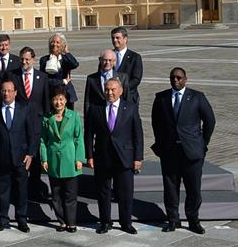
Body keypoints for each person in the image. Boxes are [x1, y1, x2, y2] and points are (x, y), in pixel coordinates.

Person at [150, 67, 216, 234]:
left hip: (192, 152)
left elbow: (210, 121)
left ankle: (193, 220)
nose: (176, 80)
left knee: (193, 188)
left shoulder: (197, 97)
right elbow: (156, 123)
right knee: (170, 188)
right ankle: (173, 220)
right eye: (173, 78)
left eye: (179, 78)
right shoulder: (162, 98)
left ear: (186, 79)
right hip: (170, 152)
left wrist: (203, 144)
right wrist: (160, 144)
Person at [85, 77, 143, 234]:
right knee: (103, 192)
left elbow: (137, 134)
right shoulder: (95, 108)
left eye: (113, 89)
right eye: (107, 89)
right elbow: (89, 134)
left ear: (121, 91)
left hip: (125, 157)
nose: (109, 92)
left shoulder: (130, 108)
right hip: (103, 157)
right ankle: (105, 222)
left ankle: (126, 223)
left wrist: (138, 157)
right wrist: (89, 155)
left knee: (125, 192)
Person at [0, 79, 39, 232]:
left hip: (21, 157)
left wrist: (30, 153)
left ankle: (22, 219)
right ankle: (2, 220)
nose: (6, 93)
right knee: (3, 190)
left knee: (22, 190)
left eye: (9, 90)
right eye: (4, 90)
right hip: (1, 157)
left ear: (15, 92)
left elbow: (32, 133)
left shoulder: (24, 108)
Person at [38, 89, 84, 232]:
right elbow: (43, 140)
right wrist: (44, 159)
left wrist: (79, 158)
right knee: (56, 194)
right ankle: (62, 222)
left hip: (70, 159)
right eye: (56, 99)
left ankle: (71, 222)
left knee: (70, 194)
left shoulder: (74, 116)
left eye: (61, 99)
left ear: (66, 101)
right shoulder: (47, 118)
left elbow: (78, 138)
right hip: (53, 160)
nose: (58, 102)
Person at [12, 46, 50, 201]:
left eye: (27, 59)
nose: (24, 62)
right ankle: (19, 191)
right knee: (19, 156)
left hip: (36, 122)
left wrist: (46, 119)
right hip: (19, 123)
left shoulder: (42, 77)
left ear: (33, 59)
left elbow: (46, 100)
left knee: (35, 157)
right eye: (22, 59)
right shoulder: (13, 76)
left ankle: (35, 189)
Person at [41, 33, 79, 107]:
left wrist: (67, 52)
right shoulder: (44, 60)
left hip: (67, 93)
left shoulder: (65, 59)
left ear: (62, 45)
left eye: (57, 42)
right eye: (52, 42)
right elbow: (45, 79)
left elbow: (75, 64)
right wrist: (62, 81)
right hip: (51, 94)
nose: (54, 44)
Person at [110, 27, 143, 105]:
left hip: (129, 97)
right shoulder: (108, 56)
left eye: (117, 38)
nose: (114, 40)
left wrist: (120, 89)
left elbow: (136, 79)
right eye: (113, 38)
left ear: (125, 39)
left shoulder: (135, 57)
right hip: (110, 97)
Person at [82, 50, 116, 118]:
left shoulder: (122, 77)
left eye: (110, 60)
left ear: (114, 61)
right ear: (100, 60)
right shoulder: (91, 79)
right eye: (105, 60)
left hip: (115, 114)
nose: (107, 62)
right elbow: (87, 102)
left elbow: (126, 99)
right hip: (98, 116)